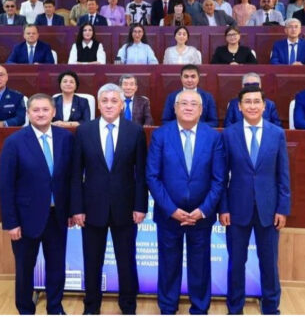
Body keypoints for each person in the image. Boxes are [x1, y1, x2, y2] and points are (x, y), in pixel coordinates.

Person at [71, 83, 148, 315]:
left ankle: (128, 307)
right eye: (104, 101)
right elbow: (76, 173)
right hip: (92, 208)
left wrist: (140, 206)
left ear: (122, 104)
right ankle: (91, 307)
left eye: (114, 101)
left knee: (126, 261)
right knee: (92, 261)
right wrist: (77, 208)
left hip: (125, 208)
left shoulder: (135, 131)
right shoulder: (84, 131)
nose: (109, 105)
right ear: (98, 104)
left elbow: (141, 173)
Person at [146, 89, 225, 314]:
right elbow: (152, 176)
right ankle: (168, 308)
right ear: (175, 108)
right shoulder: (161, 135)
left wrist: (204, 210)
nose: (188, 107)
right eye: (183, 103)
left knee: (200, 266)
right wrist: (171, 209)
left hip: (201, 216)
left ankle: (199, 308)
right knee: (168, 265)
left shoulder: (213, 137)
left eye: (194, 104)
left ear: (201, 110)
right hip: (169, 215)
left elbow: (219, 179)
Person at [0, 93, 74, 315]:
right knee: (24, 269)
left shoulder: (66, 138)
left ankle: (55, 308)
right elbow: (5, 186)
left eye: (45, 109)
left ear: (54, 112)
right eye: (36, 110)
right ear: (28, 113)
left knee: (56, 266)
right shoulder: (14, 142)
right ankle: (25, 310)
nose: (41, 114)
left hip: (57, 216)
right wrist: (11, 223)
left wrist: (71, 210)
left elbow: (71, 178)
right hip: (25, 219)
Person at [219, 85, 290, 315]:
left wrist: (282, 208)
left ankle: (271, 308)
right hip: (236, 209)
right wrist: (223, 208)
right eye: (247, 102)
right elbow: (221, 176)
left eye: (256, 101)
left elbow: (283, 174)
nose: (252, 106)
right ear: (239, 107)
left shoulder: (276, 133)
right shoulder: (229, 134)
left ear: (264, 106)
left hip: (269, 210)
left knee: (269, 263)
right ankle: (235, 309)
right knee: (236, 263)